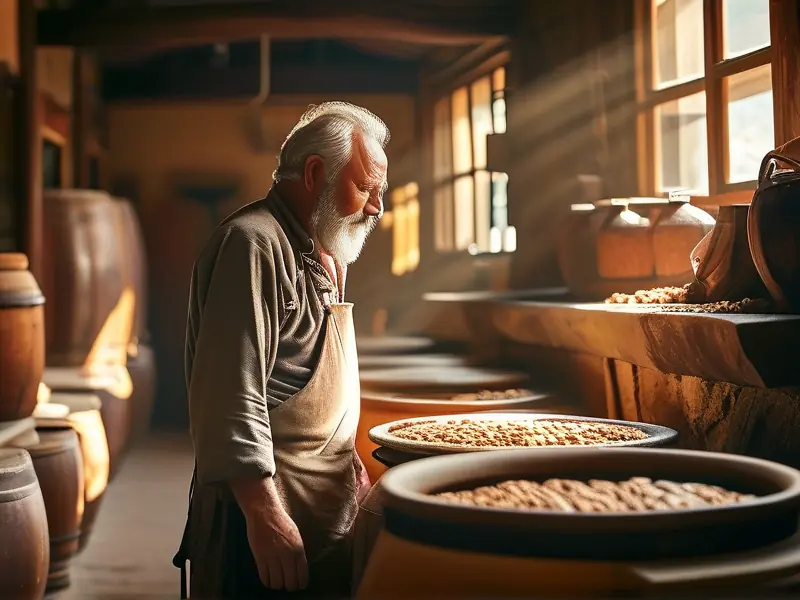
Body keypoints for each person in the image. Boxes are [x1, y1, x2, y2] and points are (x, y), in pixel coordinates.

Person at [172, 102, 390, 599]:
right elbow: (229, 396)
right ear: (316, 173)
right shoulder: (252, 244)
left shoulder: (321, 249)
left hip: (321, 511)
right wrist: (263, 513)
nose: (376, 207)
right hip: (264, 524)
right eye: (365, 188)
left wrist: (348, 459)